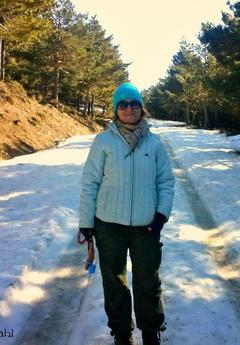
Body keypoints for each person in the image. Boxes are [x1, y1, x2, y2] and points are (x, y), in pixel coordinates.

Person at [78, 82, 175, 345]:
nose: (128, 108)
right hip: (109, 225)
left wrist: (161, 216)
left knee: (148, 281)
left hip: (147, 227)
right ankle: (122, 333)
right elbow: (90, 183)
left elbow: (166, 181)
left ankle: (151, 331)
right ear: (115, 109)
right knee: (114, 283)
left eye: (133, 103)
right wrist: (86, 224)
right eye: (123, 104)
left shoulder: (154, 144)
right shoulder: (103, 141)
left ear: (141, 108)